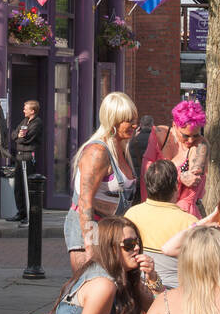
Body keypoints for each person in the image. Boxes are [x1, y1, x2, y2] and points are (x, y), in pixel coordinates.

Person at [66, 91, 139, 273]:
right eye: (128, 120)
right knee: (93, 287)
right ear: (113, 120)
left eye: (134, 119)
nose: (134, 125)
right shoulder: (98, 152)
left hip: (111, 230)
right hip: (92, 230)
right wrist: (91, 245)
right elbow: (85, 202)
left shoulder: (122, 149)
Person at [124, 159, 197, 290]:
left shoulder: (131, 214)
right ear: (176, 186)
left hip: (138, 290)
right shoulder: (190, 222)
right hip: (175, 294)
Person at [141, 99, 209, 217]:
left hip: (181, 213)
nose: (191, 140)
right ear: (174, 125)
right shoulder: (159, 134)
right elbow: (147, 171)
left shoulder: (201, 145)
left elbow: (192, 188)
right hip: (152, 205)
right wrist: (180, 176)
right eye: (186, 135)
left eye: (196, 135)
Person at [8, 99, 43, 225]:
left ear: (32, 111)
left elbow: (27, 139)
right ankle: (21, 212)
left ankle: (29, 215)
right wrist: (18, 136)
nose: (23, 110)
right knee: (18, 186)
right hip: (19, 156)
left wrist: (19, 138)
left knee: (27, 186)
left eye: (25, 108)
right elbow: (13, 135)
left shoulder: (37, 123)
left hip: (28, 157)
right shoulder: (24, 121)